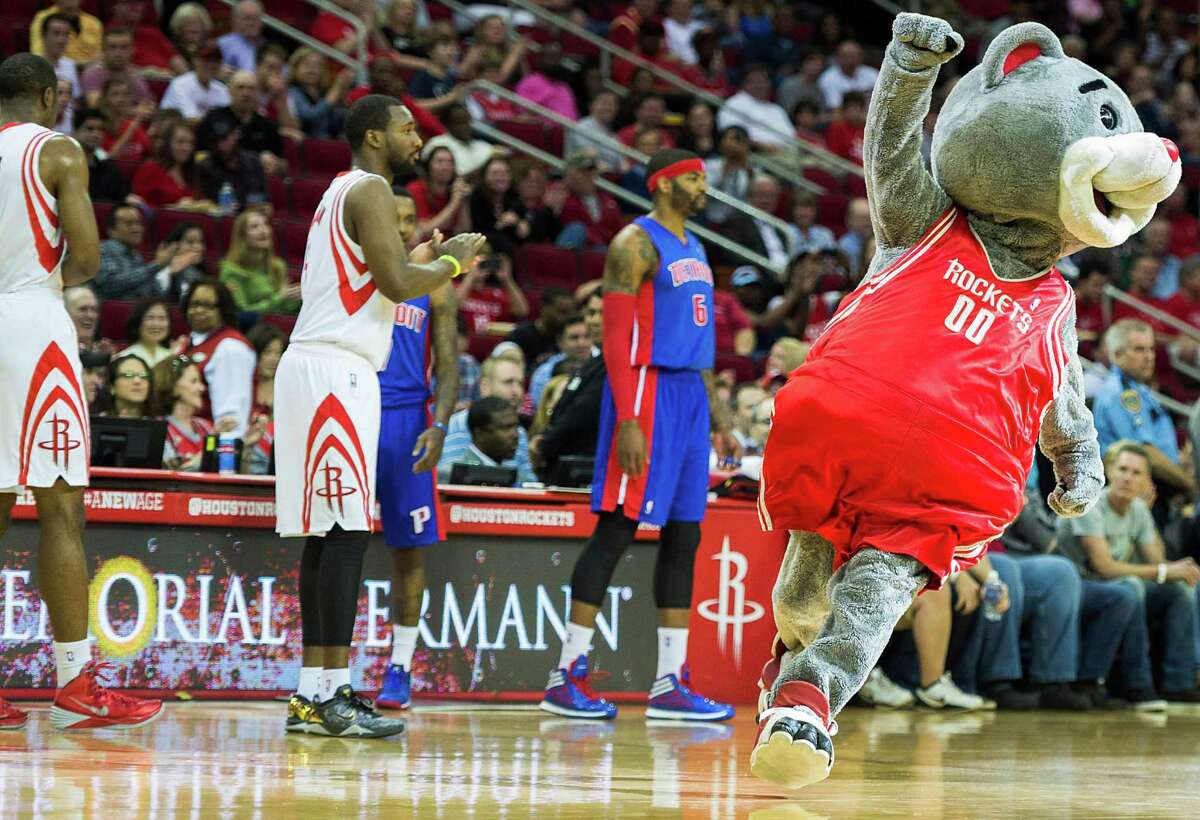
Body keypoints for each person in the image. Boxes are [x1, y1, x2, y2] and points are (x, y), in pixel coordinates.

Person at [275, 93, 484, 739]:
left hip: (328, 367)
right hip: (334, 370)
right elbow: (395, 285)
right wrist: (452, 261)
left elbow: (373, 280)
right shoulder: (367, 188)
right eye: (405, 129)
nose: (417, 139)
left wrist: (419, 258)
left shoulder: (346, 192)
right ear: (372, 136)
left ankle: (314, 695)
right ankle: (330, 694)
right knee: (342, 535)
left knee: (327, 535)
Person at [542, 148, 739, 721]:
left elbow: (702, 348)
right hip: (646, 392)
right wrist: (629, 417)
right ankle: (566, 674)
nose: (704, 186)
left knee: (684, 536)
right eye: (694, 178)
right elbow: (618, 339)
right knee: (617, 529)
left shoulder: (697, 248)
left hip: (689, 401)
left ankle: (670, 682)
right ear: (663, 184)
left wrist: (720, 421)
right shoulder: (636, 243)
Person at [0, 52, 161, 730]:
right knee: (61, 504)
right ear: (45, 95)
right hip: (33, 321)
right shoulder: (58, 151)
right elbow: (90, 260)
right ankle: (73, 684)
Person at [375, 188, 460, 711]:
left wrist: (443, 424)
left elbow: (448, 365)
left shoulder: (434, 284)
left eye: (410, 219)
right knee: (336, 544)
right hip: (356, 415)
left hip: (409, 421)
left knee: (408, 550)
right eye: (395, 217)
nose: (404, 227)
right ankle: (325, 669)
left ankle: (400, 667)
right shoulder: (357, 273)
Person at [1057, 441, 1200, 703]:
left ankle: (1179, 681)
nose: (1127, 478)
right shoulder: (1089, 503)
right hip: (1077, 586)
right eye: (1122, 469)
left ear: (1147, 481)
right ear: (1109, 470)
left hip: (1115, 585)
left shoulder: (1136, 509)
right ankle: (1137, 685)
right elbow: (1105, 568)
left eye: (1136, 473)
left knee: (1178, 591)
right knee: (1130, 589)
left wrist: (1146, 515)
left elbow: (1158, 560)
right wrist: (1163, 571)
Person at [436, 355, 537, 483]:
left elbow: (528, 482)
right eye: (508, 382)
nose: (516, 391)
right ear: (485, 386)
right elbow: (455, 475)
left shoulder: (520, 431)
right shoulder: (457, 423)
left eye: (520, 383)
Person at [181, 278, 256, 436]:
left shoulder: (230, 348)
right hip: (188, 437)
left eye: (208, 306)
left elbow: (231, 415)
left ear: (223, 310)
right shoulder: (190, 342)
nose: (199, 310)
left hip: (210, 444)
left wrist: (226, 454)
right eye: (194, 304)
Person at [96, 204, 201, 299]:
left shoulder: (137, 256)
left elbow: (156, 294)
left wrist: (173, 275)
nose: (136, 228)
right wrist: (157, 264)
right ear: (111, 230)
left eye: (138, 223)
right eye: (129, 224)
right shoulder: (103, 249)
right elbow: (109, 285)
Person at [219, 209, 300, 314]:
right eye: (254, 227)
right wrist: (279, 298)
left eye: (266, 224)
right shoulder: (231, 271)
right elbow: (242, 313)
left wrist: (297, 297)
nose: (263, 231)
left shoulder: (278, 266)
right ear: (242, 236)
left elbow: (284, 308)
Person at [154, 354, 212, 471]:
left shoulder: (205, 426)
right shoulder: (159, 429)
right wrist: (212, 449)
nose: (202, 388)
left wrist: (246, 446)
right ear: (173, 387)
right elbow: (175, 472)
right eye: (194, 381)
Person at [131, 120, 206, 210]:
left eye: (191, 143)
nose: (187, 147)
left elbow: (201, 202)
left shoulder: (193, 172)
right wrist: (174, 208)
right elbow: (138, 208)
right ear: (167, 143)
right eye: (180, 142)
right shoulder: (150, 169)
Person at [241, 323, 285, 475]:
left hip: (275, 465)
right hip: (242, 460)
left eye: (278, 353)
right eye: (267, 352)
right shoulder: (242, 389)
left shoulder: (286, 391)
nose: (274, 359)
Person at [161, 42, 231, 121]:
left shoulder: (222, 89)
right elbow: (191, 120)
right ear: (195, 60)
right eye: (206, 60)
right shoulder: (180, 84)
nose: (211, 65)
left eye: (215, 61)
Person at [116, 297, 174, 368]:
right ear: (137, 323)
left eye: (162, 318)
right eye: (150, 318)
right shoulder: (124, 358)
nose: (156, 324)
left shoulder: (172, 357)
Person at [97, 353, 152, 418]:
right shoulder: (94, 422)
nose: (138, 381)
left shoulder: (162, 424)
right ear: (112, 386)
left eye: (143, 376)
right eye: (128, 375)